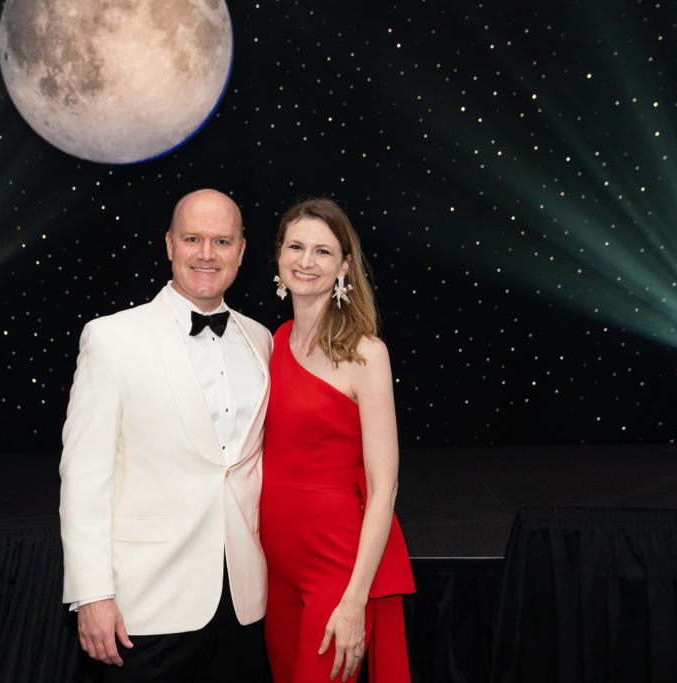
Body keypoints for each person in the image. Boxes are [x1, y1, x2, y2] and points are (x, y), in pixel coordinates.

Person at [59, 188, 273, 682]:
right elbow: (84, 477)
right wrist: (92, 593)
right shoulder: (111, 338)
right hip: (145, 606)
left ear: (241, 251)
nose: (206, 253)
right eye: (192, 238)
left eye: (221, 241)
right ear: (169, 245)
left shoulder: (261, 339)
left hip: (243, 603)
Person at [261, 198, 415, 682]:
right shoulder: (270, 341)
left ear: (344, 266)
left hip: (336, 565)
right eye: (296, 246)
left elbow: (384, 486)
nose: (306, 261)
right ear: (279, 257)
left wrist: (356, 598)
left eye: (323, 252)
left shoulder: (367, 354)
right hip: (275, 566)